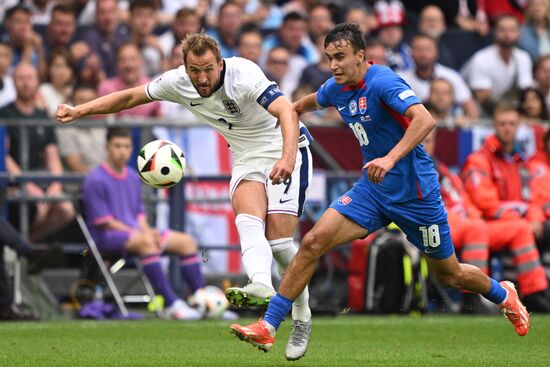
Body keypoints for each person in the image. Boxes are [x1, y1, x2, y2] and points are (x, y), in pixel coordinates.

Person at [229, 24, 532, 357]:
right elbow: (297, 106)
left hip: (416, 194)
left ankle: (503, 295)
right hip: (372, 191)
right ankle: (268, 326)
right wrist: (284, 134)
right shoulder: (335, 88)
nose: (333, 65)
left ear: (361, 56)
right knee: (313, 241)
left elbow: (424, 120)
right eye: (329, 58)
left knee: (451, 275)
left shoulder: (383, 81)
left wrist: (389, 158)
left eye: (340, 57)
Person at [56, 33, 314, 360]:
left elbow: (287, 112)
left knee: (278, 243)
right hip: (247, 156)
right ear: (185, 67)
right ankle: (260, 284)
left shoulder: (245, 75)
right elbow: (129, 97)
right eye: (195, 70)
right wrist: (80, 111)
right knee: (248, 220)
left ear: (220, 64)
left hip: (286, 147)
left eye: (208, 69)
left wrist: (288, 157)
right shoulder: (178, 82)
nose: (202, 78)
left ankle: (302, 315)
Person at [82, 127, 205, 320]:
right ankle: (172, 305)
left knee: (186, 241)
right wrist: (143, 235)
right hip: (107, 239)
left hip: (136, 234)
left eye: (126, 146)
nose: (122, 151)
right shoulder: (95, 179)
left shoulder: (132, 176)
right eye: (117, 146)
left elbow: (138, 214)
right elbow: (105, 223)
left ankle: (203, 301)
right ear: (107, 147)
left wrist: (149, 231)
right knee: (146, 243)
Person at [423, 129, 550, 313]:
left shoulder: (441, 168)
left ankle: (534, 293)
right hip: (443, 222)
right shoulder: (415, 168)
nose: (425, 146)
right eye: (422, 141)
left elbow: (465, 198)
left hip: (474, 220)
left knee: (520, 229)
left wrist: (474, 213)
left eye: (429, 141)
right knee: (477, 228)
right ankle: (471, 297)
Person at [461, 102, 550, 257]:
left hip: (519, 221)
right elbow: (485, 202)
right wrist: (520, 219)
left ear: (518, 126)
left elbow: (533, 199)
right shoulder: (479, 159)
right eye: (502, 124)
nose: (507, 128)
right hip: (489, 222)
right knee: (523, 230)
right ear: (494, 125)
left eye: (512, 124)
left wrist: (534, 218)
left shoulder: (521, 161)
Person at [1, 63, 75, 242]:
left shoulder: (42, 116)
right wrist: (26, 184)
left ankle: (27, 246)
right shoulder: (4, 114)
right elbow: (3, 154)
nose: (26, 83)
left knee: (66, 210)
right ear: (14, 82)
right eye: (21, 78)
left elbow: (53, 157)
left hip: (40, 179)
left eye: (30, 78)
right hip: (13, 182)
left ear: (38, 82)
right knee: (37, 210)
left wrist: (55, 185)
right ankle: (24, 252)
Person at [461, 14, 534, 116]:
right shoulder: (481, 58)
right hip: (482, 114)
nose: (507, 34)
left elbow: (527, 91)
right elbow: (483, 99)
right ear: (495, 32)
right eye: (502, 30)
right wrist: (509, 113)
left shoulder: (523, 57)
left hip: (512, 113)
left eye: (512, 30)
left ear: (519, 33)